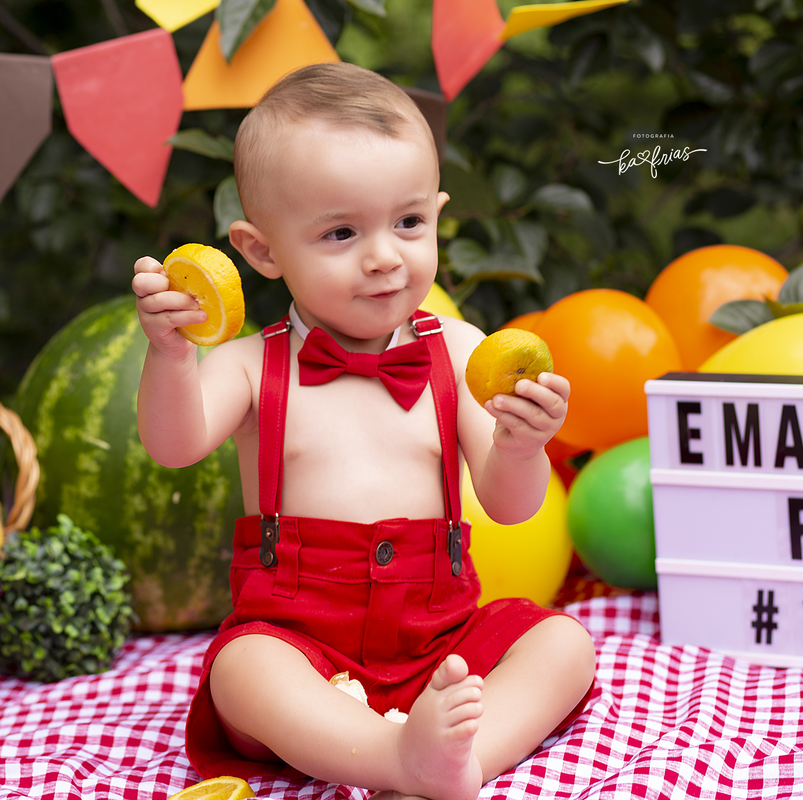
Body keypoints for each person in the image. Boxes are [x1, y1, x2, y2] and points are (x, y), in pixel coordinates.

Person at [132, 62, 596, 800]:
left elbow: (511, 506)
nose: (385, 256)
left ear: (438, 213)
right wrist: (170, 357)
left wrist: (520, 446)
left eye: (408, 223)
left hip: (438, 641)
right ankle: (395, 758)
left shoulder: (461, 352)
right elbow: (173, 443)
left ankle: (462, 758)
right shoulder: (251, 365)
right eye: (342, 232)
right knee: (242, 672)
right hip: (300, 646)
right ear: (262, 250)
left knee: (563, 643)